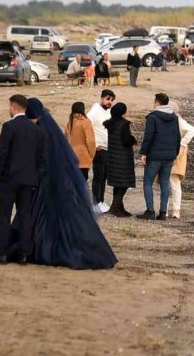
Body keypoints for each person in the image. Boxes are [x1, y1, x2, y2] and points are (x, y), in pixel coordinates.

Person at [11, 98, 117, 269]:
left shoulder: (64, 124)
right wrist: (91, 155)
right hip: (71, 166)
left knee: (35, 214)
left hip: (43, 180)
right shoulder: (60, 127)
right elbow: (88, 141)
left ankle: (34, 247)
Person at [0, 95, 46, 265]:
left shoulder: (9, 126)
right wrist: (35, 176)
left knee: (4, 216)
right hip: (28, 179)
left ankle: (2, 253)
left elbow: (2, 152)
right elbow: (40, 157)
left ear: (14, 107)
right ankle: (23, 254)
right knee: (25, 216)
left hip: (9, 178)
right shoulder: (36, 130)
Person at [137, 93, 181, 220]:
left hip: (154, 155)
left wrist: (143, 152)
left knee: (148, 182)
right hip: (169, 155)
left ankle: (150, 211)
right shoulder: (174, 118)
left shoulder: (152, 117)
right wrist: (175, 153)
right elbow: (177, 137)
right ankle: (162, 213)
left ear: (157, 102)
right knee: (165, 183)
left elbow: (148, 136)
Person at [104, 103, 137, 217]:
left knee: (118, 183)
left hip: (112, 157)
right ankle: (114, 207)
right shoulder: (124, 124)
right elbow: (126, 141)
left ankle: (120, 208)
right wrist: (133, 139)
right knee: (124, 183)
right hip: (123, 158)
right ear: (123, 112)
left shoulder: (110, 124)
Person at [86, 89, 115, 212]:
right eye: (108, 99)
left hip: (108, 149)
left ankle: (101, 201)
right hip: (99, 149)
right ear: (102, 98)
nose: (110, 102)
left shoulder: (109, 112)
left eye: (112, 100)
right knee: (98, 177)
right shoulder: (93, 112)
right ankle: (95, 203)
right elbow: (87, 129)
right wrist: (95, 145)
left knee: (104, 177)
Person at [168, 101, 194, 220]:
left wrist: (182, 143)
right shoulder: (174, 120)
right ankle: (168, 210)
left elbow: (192, 130)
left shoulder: (179, 121)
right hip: (170, 152)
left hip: (177, 154)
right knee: (168, 183)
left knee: (173, 183)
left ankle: (175, 210)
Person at [64, 101, 96, 184]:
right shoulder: (85, 122)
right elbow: (90, 140)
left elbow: (65, 141)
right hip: (83, 157)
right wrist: (92, 154)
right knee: (82, 183)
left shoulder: (68, 124)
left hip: (71, 157)